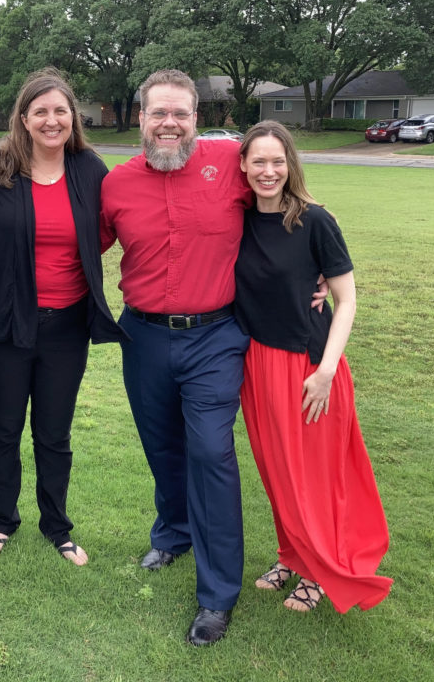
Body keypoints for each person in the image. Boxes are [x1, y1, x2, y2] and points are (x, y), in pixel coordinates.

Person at [100, 68, 253, 646]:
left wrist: (319, 273)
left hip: (214, 336)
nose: (169, 123)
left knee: (211, 452)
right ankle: (173, 533)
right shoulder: (116, 184)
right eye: (158, 113)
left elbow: (290, 205)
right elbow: (80, 244)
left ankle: (217, 596)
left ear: (197, 119)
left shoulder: (231, 167)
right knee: (161, 443)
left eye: (180, 114)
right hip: (143, 335)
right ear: (141, 117)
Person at [0, 68, 125, 566]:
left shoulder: (90, 169)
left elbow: (111, 229)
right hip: (6, 325)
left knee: (54, 433)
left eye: (61, 111)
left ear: (72, 117)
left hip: (66, 326)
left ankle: (56, 525)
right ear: (23, 117)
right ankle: (2, 520)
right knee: (4, 429)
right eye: (41, 111)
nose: (52, 120)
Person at [235, 120, 392, 613]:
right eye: (258, 161)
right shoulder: (236, 218)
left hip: (308, 367)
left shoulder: (315, 220)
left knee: (314, 476)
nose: (268, 171)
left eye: (277, 161)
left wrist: (326, 371)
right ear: (242, 165)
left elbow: (346, 300)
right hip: (256, 365)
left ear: (291, 165)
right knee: (278, 471)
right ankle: (292, 555)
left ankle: (319, 572)